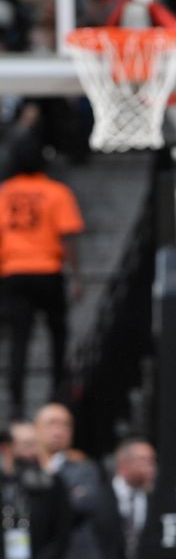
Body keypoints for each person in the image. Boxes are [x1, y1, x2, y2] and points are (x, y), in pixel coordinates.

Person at [0, 134, 84, 418]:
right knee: (57, 334)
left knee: (19, 339)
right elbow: (68, 237)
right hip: (48, 270)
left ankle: (16, 402)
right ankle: (57, 394)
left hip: (12, 272)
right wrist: (75, 275)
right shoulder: (56, 192)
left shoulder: (4, 192)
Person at [35, 403, 122, 559]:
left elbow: (85, 504)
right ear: (36, 428)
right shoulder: (26, 467)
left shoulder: (85, 468)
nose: (59, 430)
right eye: (52, 423)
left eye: (66, 425)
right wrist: (68, 495)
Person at [0, 426, 72, 559]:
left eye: (36, 444)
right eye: (27, 444)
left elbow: (61, 534)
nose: (34, 452)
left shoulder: (53, 484)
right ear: (6, 448)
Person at [111, 437, 157, 559]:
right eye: (144, 460)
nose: (151, 467)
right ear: (123, 464)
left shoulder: (154, 499)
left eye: (152, 461)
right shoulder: (100, 495)